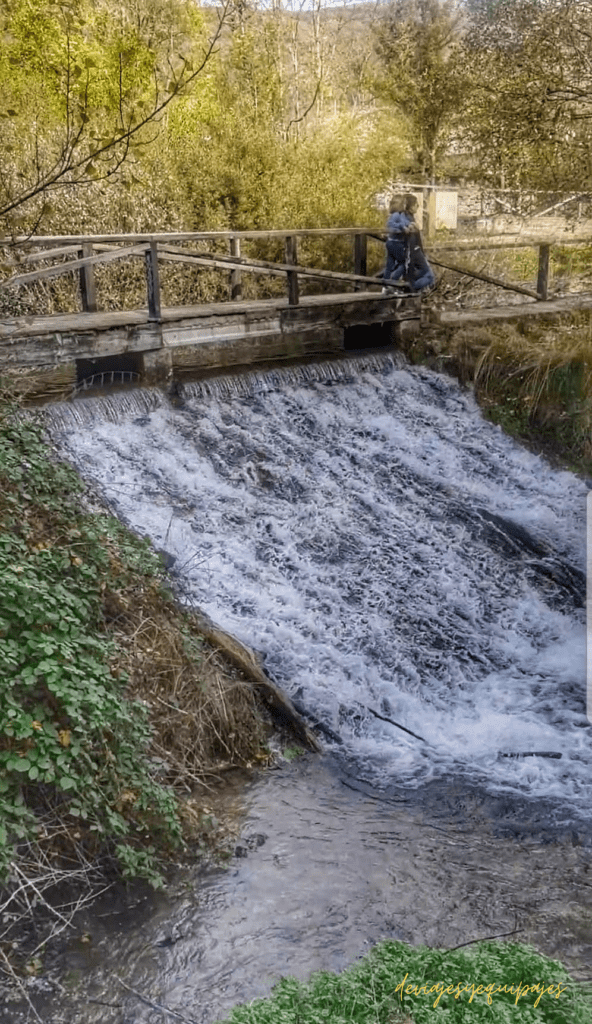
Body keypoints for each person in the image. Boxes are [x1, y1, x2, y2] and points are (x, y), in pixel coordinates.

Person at [402, 194, 437, 294]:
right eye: (416, 204)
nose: (417, 206)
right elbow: (414, 241)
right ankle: (410, 288)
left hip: (410, 254)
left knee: (412, 276)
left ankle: (409, 286)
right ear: (411, 206)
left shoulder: (406, 218)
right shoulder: (409, 221)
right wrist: (421, 253)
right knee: (430, 277)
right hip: (414, 252)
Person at [382, 194, 411, 292]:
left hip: (390, 242)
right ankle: (393, 281)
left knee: (389, 265)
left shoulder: (395, 215)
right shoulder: (396, 215)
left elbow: (403, 222)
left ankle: (385, 285)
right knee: (403, 264)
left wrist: (408, 225)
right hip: (396, 243)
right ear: (401, 204)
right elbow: (390, 224)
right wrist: (403, 228)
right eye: (404, 204)